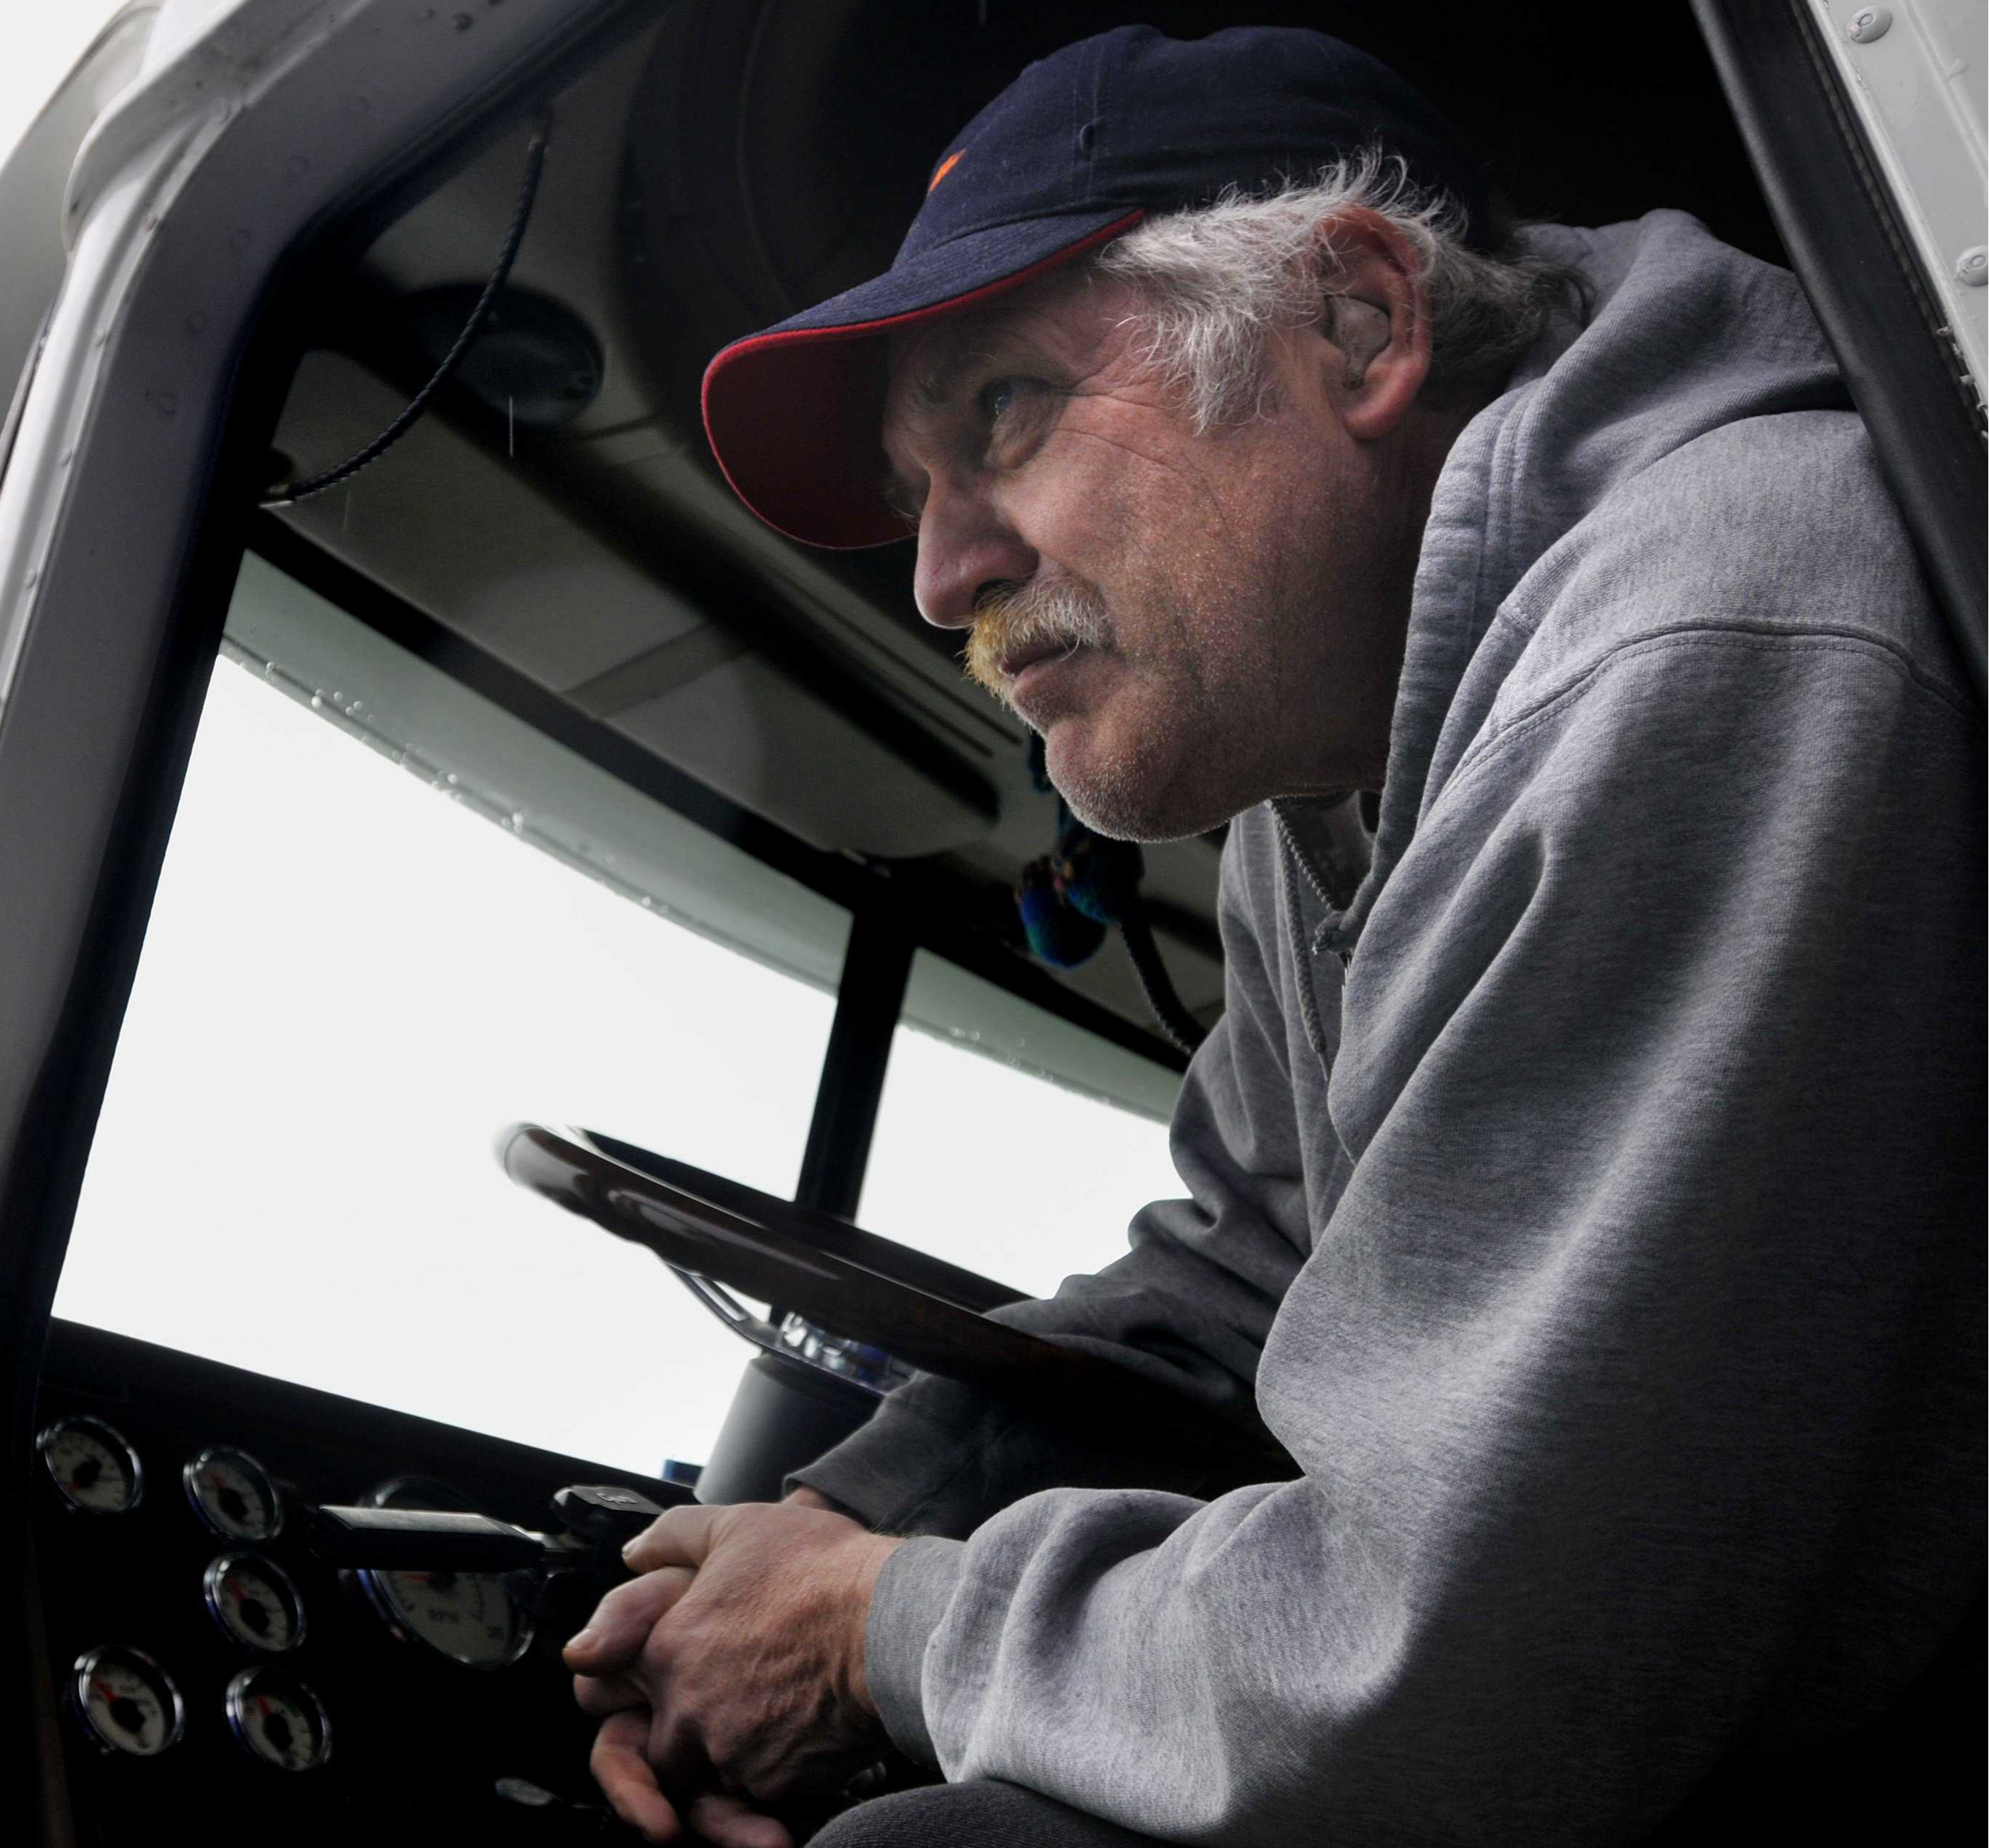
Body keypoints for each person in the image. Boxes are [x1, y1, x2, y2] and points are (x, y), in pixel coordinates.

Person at [562, 24, 1987, 1847]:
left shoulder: (1696, 641)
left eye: (1000, 410)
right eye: (917, 497)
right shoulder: (1327, 764)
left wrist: (870, 1635)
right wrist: (834, 1525)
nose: (937, 580)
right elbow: (1243, 1271)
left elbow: (1450, 1678)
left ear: (1360, 328)